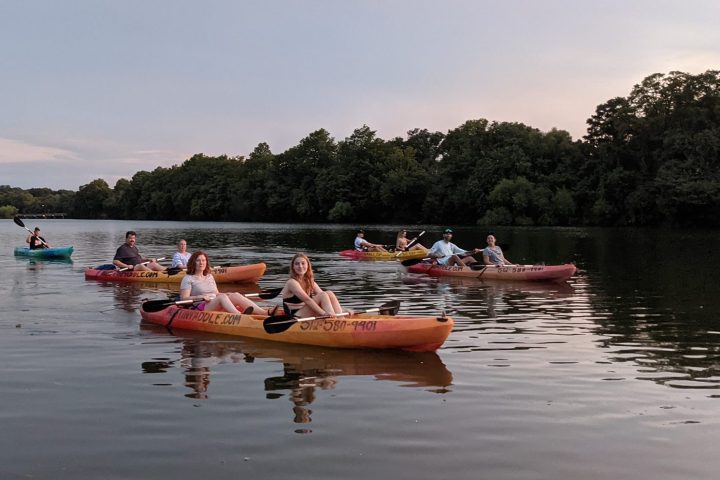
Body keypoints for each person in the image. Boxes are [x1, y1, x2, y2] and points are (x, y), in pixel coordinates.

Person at [180, 251, 270, 314]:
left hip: (213, 302)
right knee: (222, 297)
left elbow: (216, 293)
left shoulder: (209, 276)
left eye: (203, 260)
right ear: (193, 262)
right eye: (198, 260)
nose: (201, 263)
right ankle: (239, 315)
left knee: (235, 294)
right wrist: (201, 296)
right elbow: (184, 298)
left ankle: (264, 312)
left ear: (206, 263)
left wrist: (226, 294)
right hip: (200, 306)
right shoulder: (188, 278)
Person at [281, 252, 352, 318]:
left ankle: (340, 318)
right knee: (323, 295)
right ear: (293, 267)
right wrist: (324, 313)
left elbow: (324, 295)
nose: (300, 266)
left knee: (329, 293)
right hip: (294, 316)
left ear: (308, 265)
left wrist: (343, 310)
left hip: (305, 312)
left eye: (303, 263)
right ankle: (333, 320)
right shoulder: (292, 282)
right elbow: (307, 300)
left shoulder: (309, 281)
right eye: (297, 264)